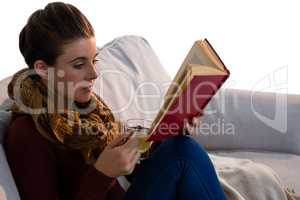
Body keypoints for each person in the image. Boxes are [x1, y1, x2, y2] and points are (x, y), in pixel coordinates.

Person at [4, 2, 227, 200]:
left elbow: (135, 169)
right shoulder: (26, 134)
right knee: (184, 155)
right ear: (43, 69)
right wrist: (102, 174)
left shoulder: (87, 106)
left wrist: (172, 128)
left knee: (180, 147)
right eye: (79, 64)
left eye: (94, 60)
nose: (94, 74)